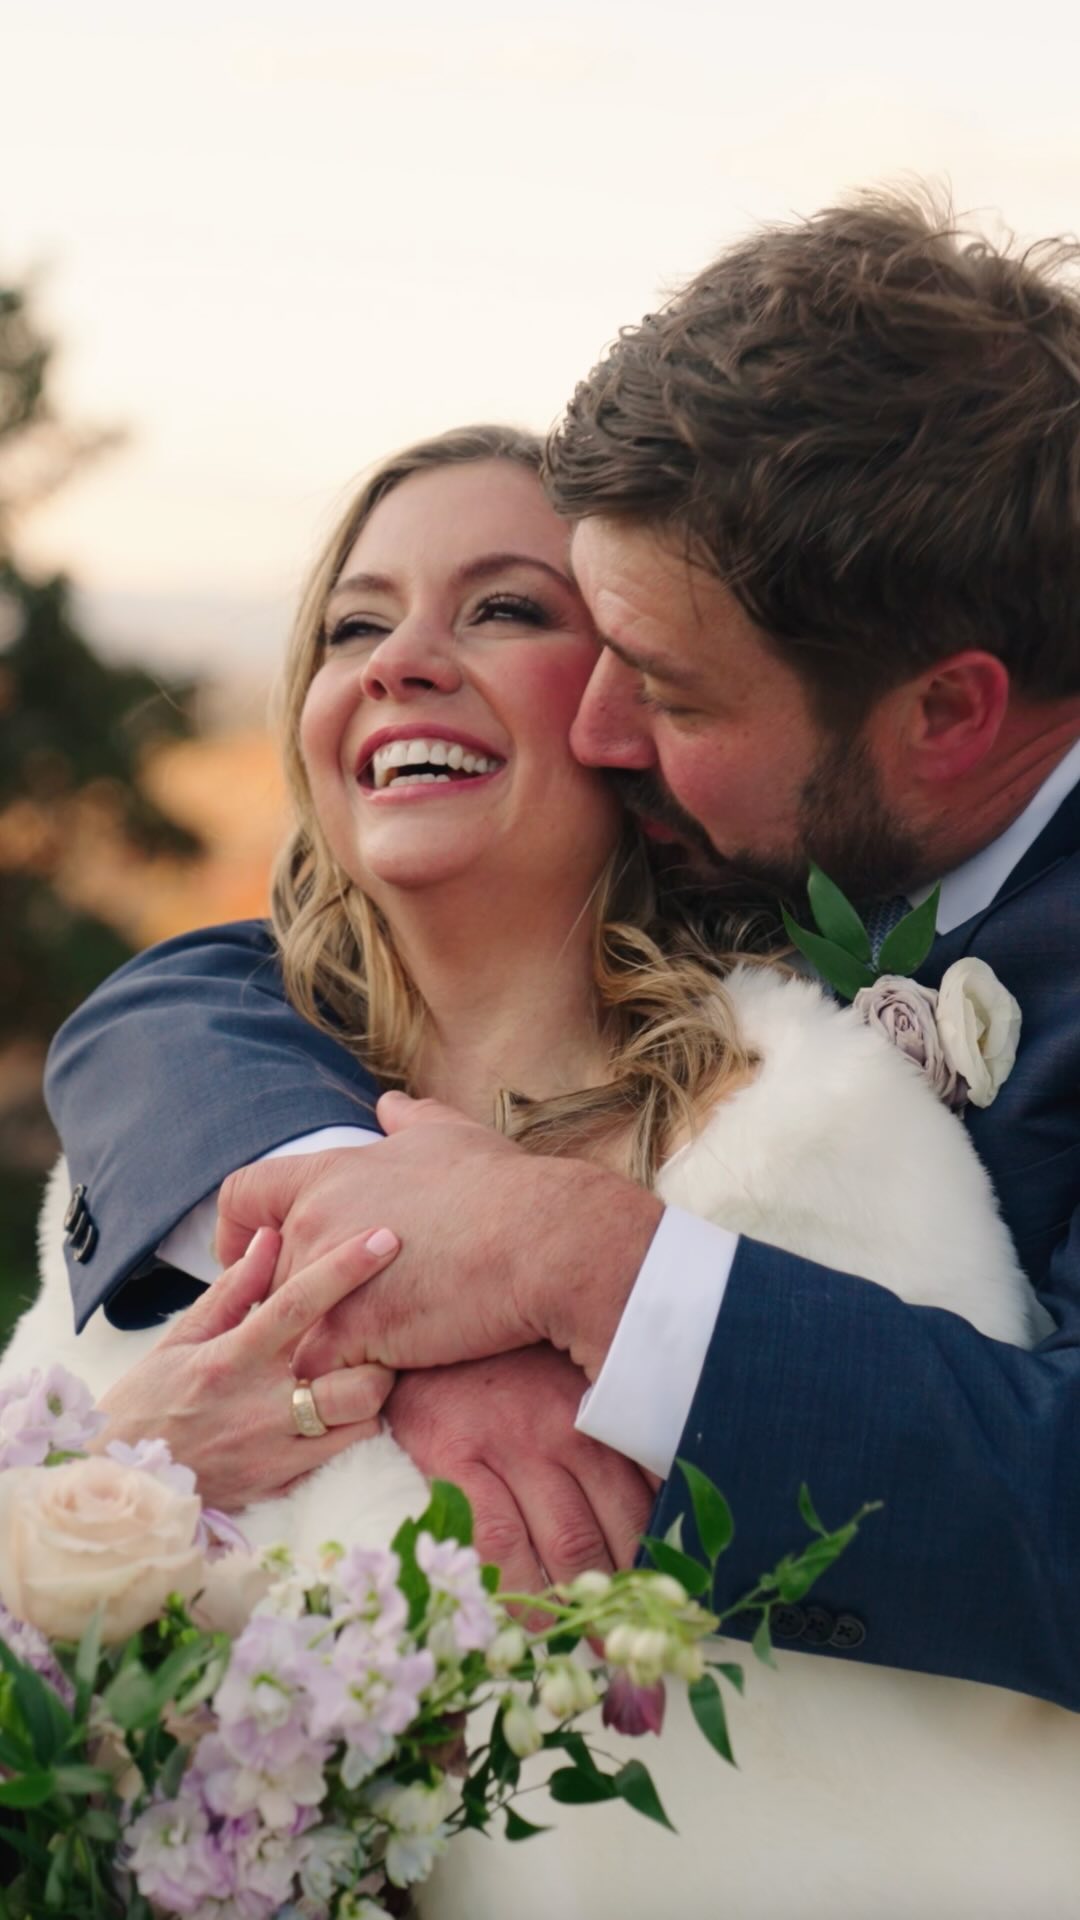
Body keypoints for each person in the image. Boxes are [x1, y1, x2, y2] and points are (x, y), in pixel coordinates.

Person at [7, 417, 1068, 1918]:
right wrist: (122, 1462)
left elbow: (956, 1774)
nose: (402, 660)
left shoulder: (823, 1146)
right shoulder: (165, 1165)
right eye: (355, 624)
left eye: (503, 608)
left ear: (633, 715)